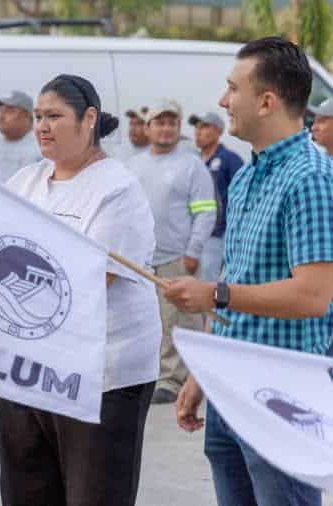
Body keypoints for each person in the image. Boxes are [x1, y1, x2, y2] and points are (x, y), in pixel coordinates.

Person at [166, 37, 333, 506]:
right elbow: (239, 274)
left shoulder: (311, 178)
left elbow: (313, 296)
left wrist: (216, 295)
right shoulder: (246, 178)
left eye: (231, 88)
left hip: (282, 399)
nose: (222, 102)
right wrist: (203, 372)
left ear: (266, 101)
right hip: (229, 387)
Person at [0, 74, 161, 506]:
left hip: (100, 377)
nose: (42, 127)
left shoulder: (117, 189)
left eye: (54, 116)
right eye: (38, 117)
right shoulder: (26, 182)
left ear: (88, 118)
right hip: (25, 371)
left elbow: (87, 281)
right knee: (27, 494)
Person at [126, 99, 217, 405]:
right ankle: (151, 375)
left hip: (177, 259)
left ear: (178, 129)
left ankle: (174, 380)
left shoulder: (191, 165)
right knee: (148, 322)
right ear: (148, 127)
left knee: (179, 321)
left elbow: (206, 211)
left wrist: (193, 250)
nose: (166, 129)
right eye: (159, 123)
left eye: (172, 123)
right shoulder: (133, 165)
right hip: (141, 261)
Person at [188, 111, 243, 283]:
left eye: (204, 126)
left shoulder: (230, 160)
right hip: (192, 236)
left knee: (208, 285)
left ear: (218, 131)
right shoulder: (193, 161)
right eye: (196, 127)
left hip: (217, 235)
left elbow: (241, 198)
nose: (198, 131)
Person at [0, 90, 42, 182]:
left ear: (27, 116)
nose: (1, 116)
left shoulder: (41, 147)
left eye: (9, 110)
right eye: (0, 110)